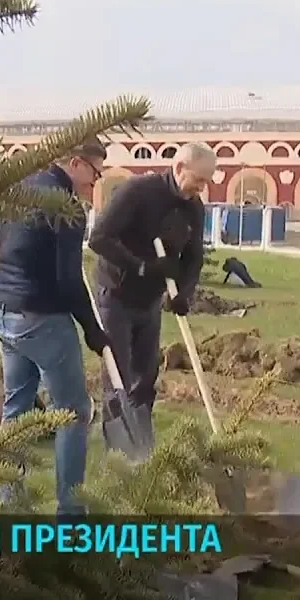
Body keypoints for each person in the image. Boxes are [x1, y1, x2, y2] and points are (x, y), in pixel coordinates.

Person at [0, 139, 111, 516]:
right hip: (43, 320)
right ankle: (71, 515)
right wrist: (93, 330)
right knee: (72, 412)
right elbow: (69, 281)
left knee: (16, 411)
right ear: (75, 163)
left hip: (4, 313)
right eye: (95, 173)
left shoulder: (20, 189)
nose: (95, 183)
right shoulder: (65, 206)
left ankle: (11, 505)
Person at [87, 142, 212, 457]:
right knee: (118, 375)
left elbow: (194, 256)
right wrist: (142, 266)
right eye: (199, 179)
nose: (202, 187)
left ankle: (143, 449)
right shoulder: (138, 192)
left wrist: (184, 292)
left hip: (150, 301)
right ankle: (119, 454)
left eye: (207, 181)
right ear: (179, 167)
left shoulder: (194, 208)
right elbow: (99, 238)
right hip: (116, 294)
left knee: (146, 377)